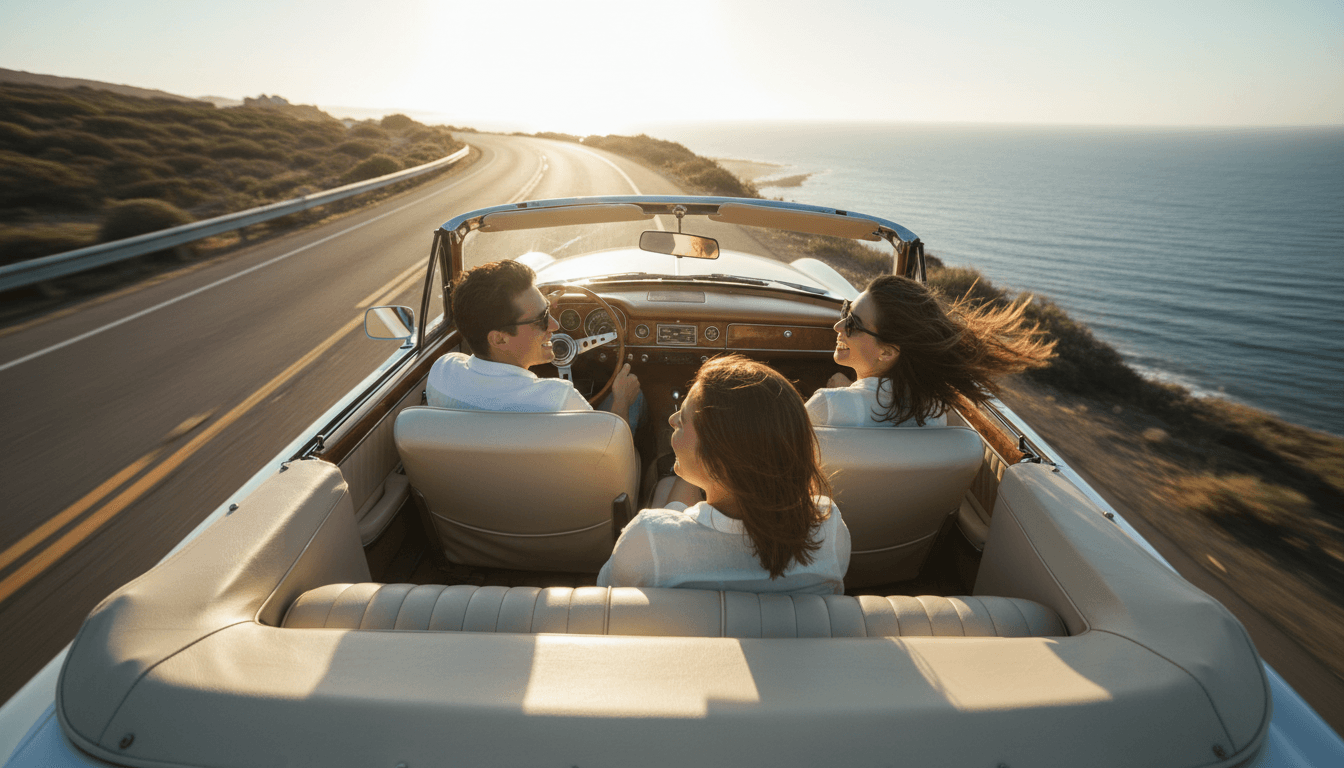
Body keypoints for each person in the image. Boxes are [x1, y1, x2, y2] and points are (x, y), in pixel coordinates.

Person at [597, 355, 849, 595]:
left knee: (665, 488)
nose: (672, 419)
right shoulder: (830, 527)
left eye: (683, 420)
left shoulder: (647, 538)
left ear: (718, 462)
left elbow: (607, 594)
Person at [806, 275, 1055, 428]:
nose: (838, 326)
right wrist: (850, 389)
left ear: (888, 353)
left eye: (852, 324)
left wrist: (840, 395)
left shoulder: (827, 406)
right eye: (845, 312)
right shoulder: (936, 416)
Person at [426, 259, 642, 427]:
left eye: (548, 310)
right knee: (634, 396)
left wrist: (533, 307)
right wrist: (621, 401)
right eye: (542, 319)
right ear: (499, 338)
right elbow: (610, 449)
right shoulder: (559, 400)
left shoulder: (441, 374)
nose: (555, 325)